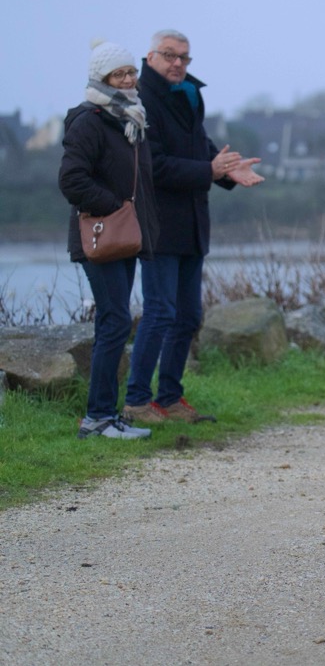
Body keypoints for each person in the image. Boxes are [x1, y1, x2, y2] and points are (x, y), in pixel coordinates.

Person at [121, 30, 263, 425]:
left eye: (184, 57)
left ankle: (169, 399)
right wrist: (208, 170)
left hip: (193, 225)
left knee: (187, 316)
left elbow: (200, 147)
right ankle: (136, 402)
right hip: (158, 225)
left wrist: (228, 170)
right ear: (150, 56)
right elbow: (153, 166)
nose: (178, 63)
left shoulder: (188, 95)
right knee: (159, 313)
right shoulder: (140, 100)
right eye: (169, 55)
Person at [58, 41, 161, 439]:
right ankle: (97, 418)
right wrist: (115, 207)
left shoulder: (131, 118)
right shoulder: (89, 120)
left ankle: (104, 416)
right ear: (102, 79)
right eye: (119, 74)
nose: (129, 79)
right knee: (115, 320)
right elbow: (71, 180)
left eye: (131, 72)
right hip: (100, 236)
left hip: (126, 236)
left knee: (113, 322)